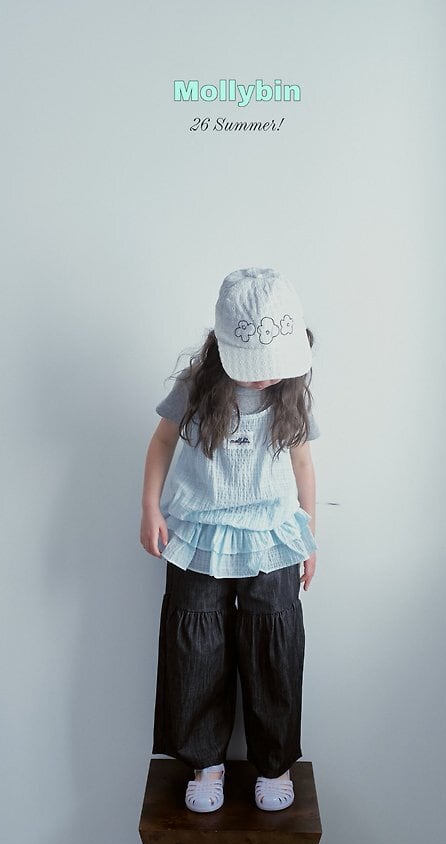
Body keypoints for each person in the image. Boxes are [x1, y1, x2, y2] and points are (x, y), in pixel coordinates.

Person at [140, 267, 318, 814]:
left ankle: (273, 761)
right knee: (196, 644)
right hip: (200, 531)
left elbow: (303, 462)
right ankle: (205, 762)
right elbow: (162, 441)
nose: (264, 378)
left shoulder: (290, 392)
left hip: (272, 535)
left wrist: (310, 537)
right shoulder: (197, 386)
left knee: (273, 645)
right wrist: (150, 507)